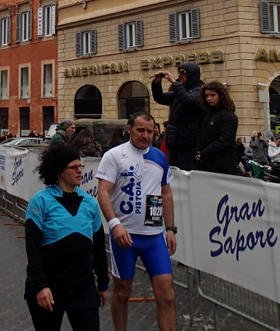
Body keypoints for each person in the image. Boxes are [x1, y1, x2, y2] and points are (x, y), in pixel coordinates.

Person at [96, 112, 177, 331]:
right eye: (141, 130)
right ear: (129, 129)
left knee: (167, 295)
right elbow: (103, 192)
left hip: (153, 237)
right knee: (122, 292)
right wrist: (114, 225)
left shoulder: (159, 157)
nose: (146, 135)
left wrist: (170, 229)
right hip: (125, 237)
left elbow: (166, 194)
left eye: (150, 131)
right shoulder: (114, 155)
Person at [24, 145, 109, 330]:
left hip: (82, 287)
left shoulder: (89, 203)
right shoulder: (40, 201)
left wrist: (103, 283)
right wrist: (40, 286)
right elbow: (33, 249)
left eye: (81, 166)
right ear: (59, 172)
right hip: (49, 286)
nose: (79, 171)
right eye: (73, 167)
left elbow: (98, 247)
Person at [151, 62, 202, 171]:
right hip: (174, 141)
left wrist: (174, 82)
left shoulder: (199, 91)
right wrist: (156, 83)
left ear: (191, 74)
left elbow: (188, 101)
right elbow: (160, 98)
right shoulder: (180, 91)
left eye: (182, 72)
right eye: (178, 72)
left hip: (188, 143)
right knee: (173, 173)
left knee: (187, 174)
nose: (179, 75)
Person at [194, 81, 238, 176]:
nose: (209, 98)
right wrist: (198, 150)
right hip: (207, 163)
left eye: (212, 95)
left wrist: (204, 153)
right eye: (207, 96)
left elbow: (224, 140)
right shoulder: (208, 114)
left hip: (222, 165)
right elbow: (201, 134)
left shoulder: (228, 115)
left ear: (221, 96)